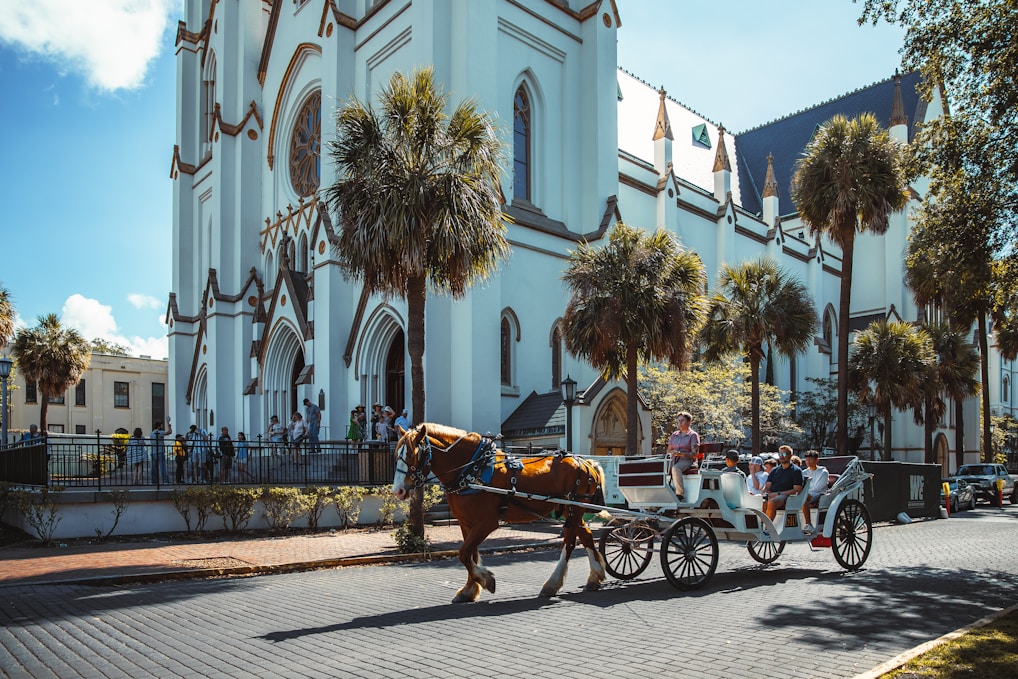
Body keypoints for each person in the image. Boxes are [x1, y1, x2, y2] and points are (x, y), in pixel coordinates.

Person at [762, 445, 804, 522]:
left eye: (784, 454)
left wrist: (778, 494)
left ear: (790, 455)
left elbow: (797, 489)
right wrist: (764, 492)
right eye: (780, 454)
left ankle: (767, 529)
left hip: (787, 496)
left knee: (772, 502)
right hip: (772, 494)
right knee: (761, 502)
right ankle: (760, 527)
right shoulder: (774, 470)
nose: (781, 457)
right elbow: (768, 485)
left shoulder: (796, 471)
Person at [666, 411, 699, 502]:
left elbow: (694, 454)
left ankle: (679, 494)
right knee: (660, 467)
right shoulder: (674, 435)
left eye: (682, 421)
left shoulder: (693, 435)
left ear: (689, 422)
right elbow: (669, 450)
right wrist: (675, 452)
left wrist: (681, 454)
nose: (680, 423)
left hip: (687, 460)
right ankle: (664, 492)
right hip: (674, 459)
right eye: (679, 421)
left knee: (676, 468)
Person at [800, 450, 830, 534]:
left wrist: (805, 492)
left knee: (803, 498)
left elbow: (818, 488)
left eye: (810, 460)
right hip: (807, 493)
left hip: (818, 494)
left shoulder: (823, 472)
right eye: (806, 460)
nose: (808, 462)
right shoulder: (804, 472)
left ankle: (808, 524)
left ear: (817, 460)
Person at [150, 419, 172, 485]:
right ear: (158, 426)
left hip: (153, 451)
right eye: (161, 426)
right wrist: (169, 425)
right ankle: (165, 480)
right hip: (160, 451)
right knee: (162, 466)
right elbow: (169, 432)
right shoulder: (159, 432)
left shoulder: (151, 433)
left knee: (154, 468)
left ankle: (154, 481)